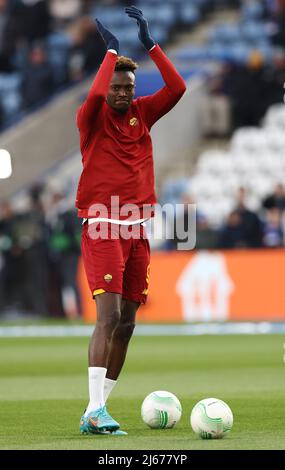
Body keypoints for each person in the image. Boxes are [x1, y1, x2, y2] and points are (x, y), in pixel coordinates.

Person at [76, 6, 186, 436]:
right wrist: (111, 52)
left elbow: (177, 87)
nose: (122, 93)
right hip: (101, 226)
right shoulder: (92, 119)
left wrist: (150, 44)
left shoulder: (144, 114)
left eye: (129, 87)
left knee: (128, 323)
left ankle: (97, 411)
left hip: (136, 231)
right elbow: (92, 97)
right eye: (117, 87)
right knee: (107, 317)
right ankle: (94, 408)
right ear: (109, 89)